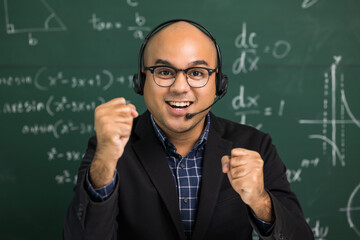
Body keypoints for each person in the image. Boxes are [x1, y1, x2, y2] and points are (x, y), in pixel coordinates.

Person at [63, 19, 314, 240]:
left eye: (196, 73)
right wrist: (105, 164)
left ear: (219, 83)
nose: (180, 87)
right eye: (164, 72)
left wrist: (260, 202)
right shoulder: (107, 148)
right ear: (141, 81)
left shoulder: (255, 145)